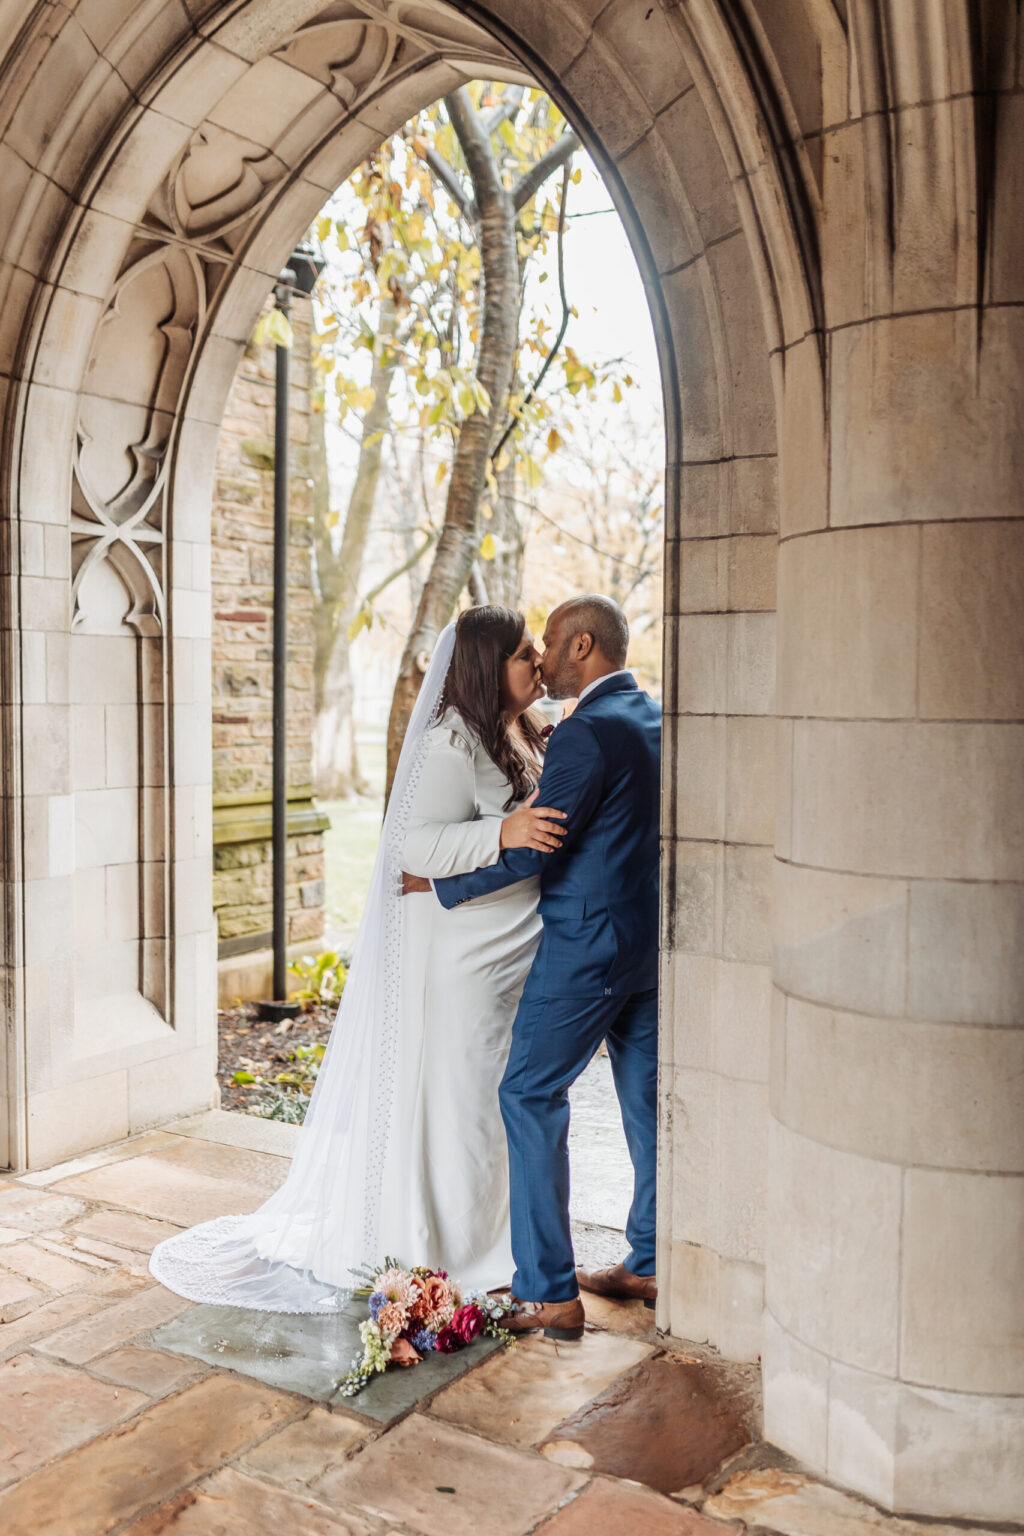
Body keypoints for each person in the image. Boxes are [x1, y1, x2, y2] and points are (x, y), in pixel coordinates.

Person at [149, 606, 566, 1310]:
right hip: (458, 959)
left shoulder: (514, 731)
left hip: (502, 953)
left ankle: (499, 1243)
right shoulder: (448, 745)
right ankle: (454, 1247)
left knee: (489, 1100)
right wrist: (505, 833)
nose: (538, 664)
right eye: (524, 653)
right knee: (462, 1103)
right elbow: (412, 848)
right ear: (484, 668)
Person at [424, 595, 661, 1341]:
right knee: (645, 1102)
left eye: (550, 646)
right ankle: (652, 1260)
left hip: (587, 947)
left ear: (582, 647)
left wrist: (437, 883)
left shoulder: (587, 732)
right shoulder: (651, 714)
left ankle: (549, 1292)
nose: (542, 659)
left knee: (528, 1092)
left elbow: (536, 846)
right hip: (648, 947)